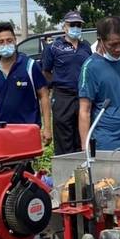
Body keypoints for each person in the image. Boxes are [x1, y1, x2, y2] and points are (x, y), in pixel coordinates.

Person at [78, 16, 120, 150]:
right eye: (113, 45)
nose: (119, 49)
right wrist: (86, 146)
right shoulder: (90, 67)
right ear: (100, 40)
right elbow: (84, 110)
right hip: (107, 140)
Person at [0, 22, 51, 144]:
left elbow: (44, 95)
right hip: (3, 131)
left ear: (15, 40)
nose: (6, 44)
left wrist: (47, 128)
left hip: (29, 130)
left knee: (27, 163)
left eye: (9, 40)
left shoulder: (30, 66)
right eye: (1, 42)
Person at [41, 10, 92, 154]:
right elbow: (46, 71)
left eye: (78, 25)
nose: (75, 28)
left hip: (82, 96)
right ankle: (65, 170)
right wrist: (58, 83)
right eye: (72, 24)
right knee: (64, 136)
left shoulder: (86, 47)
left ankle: (83, 171)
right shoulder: (54, 47)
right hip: (63, 97)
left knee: (82, 135)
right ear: (65, 26)